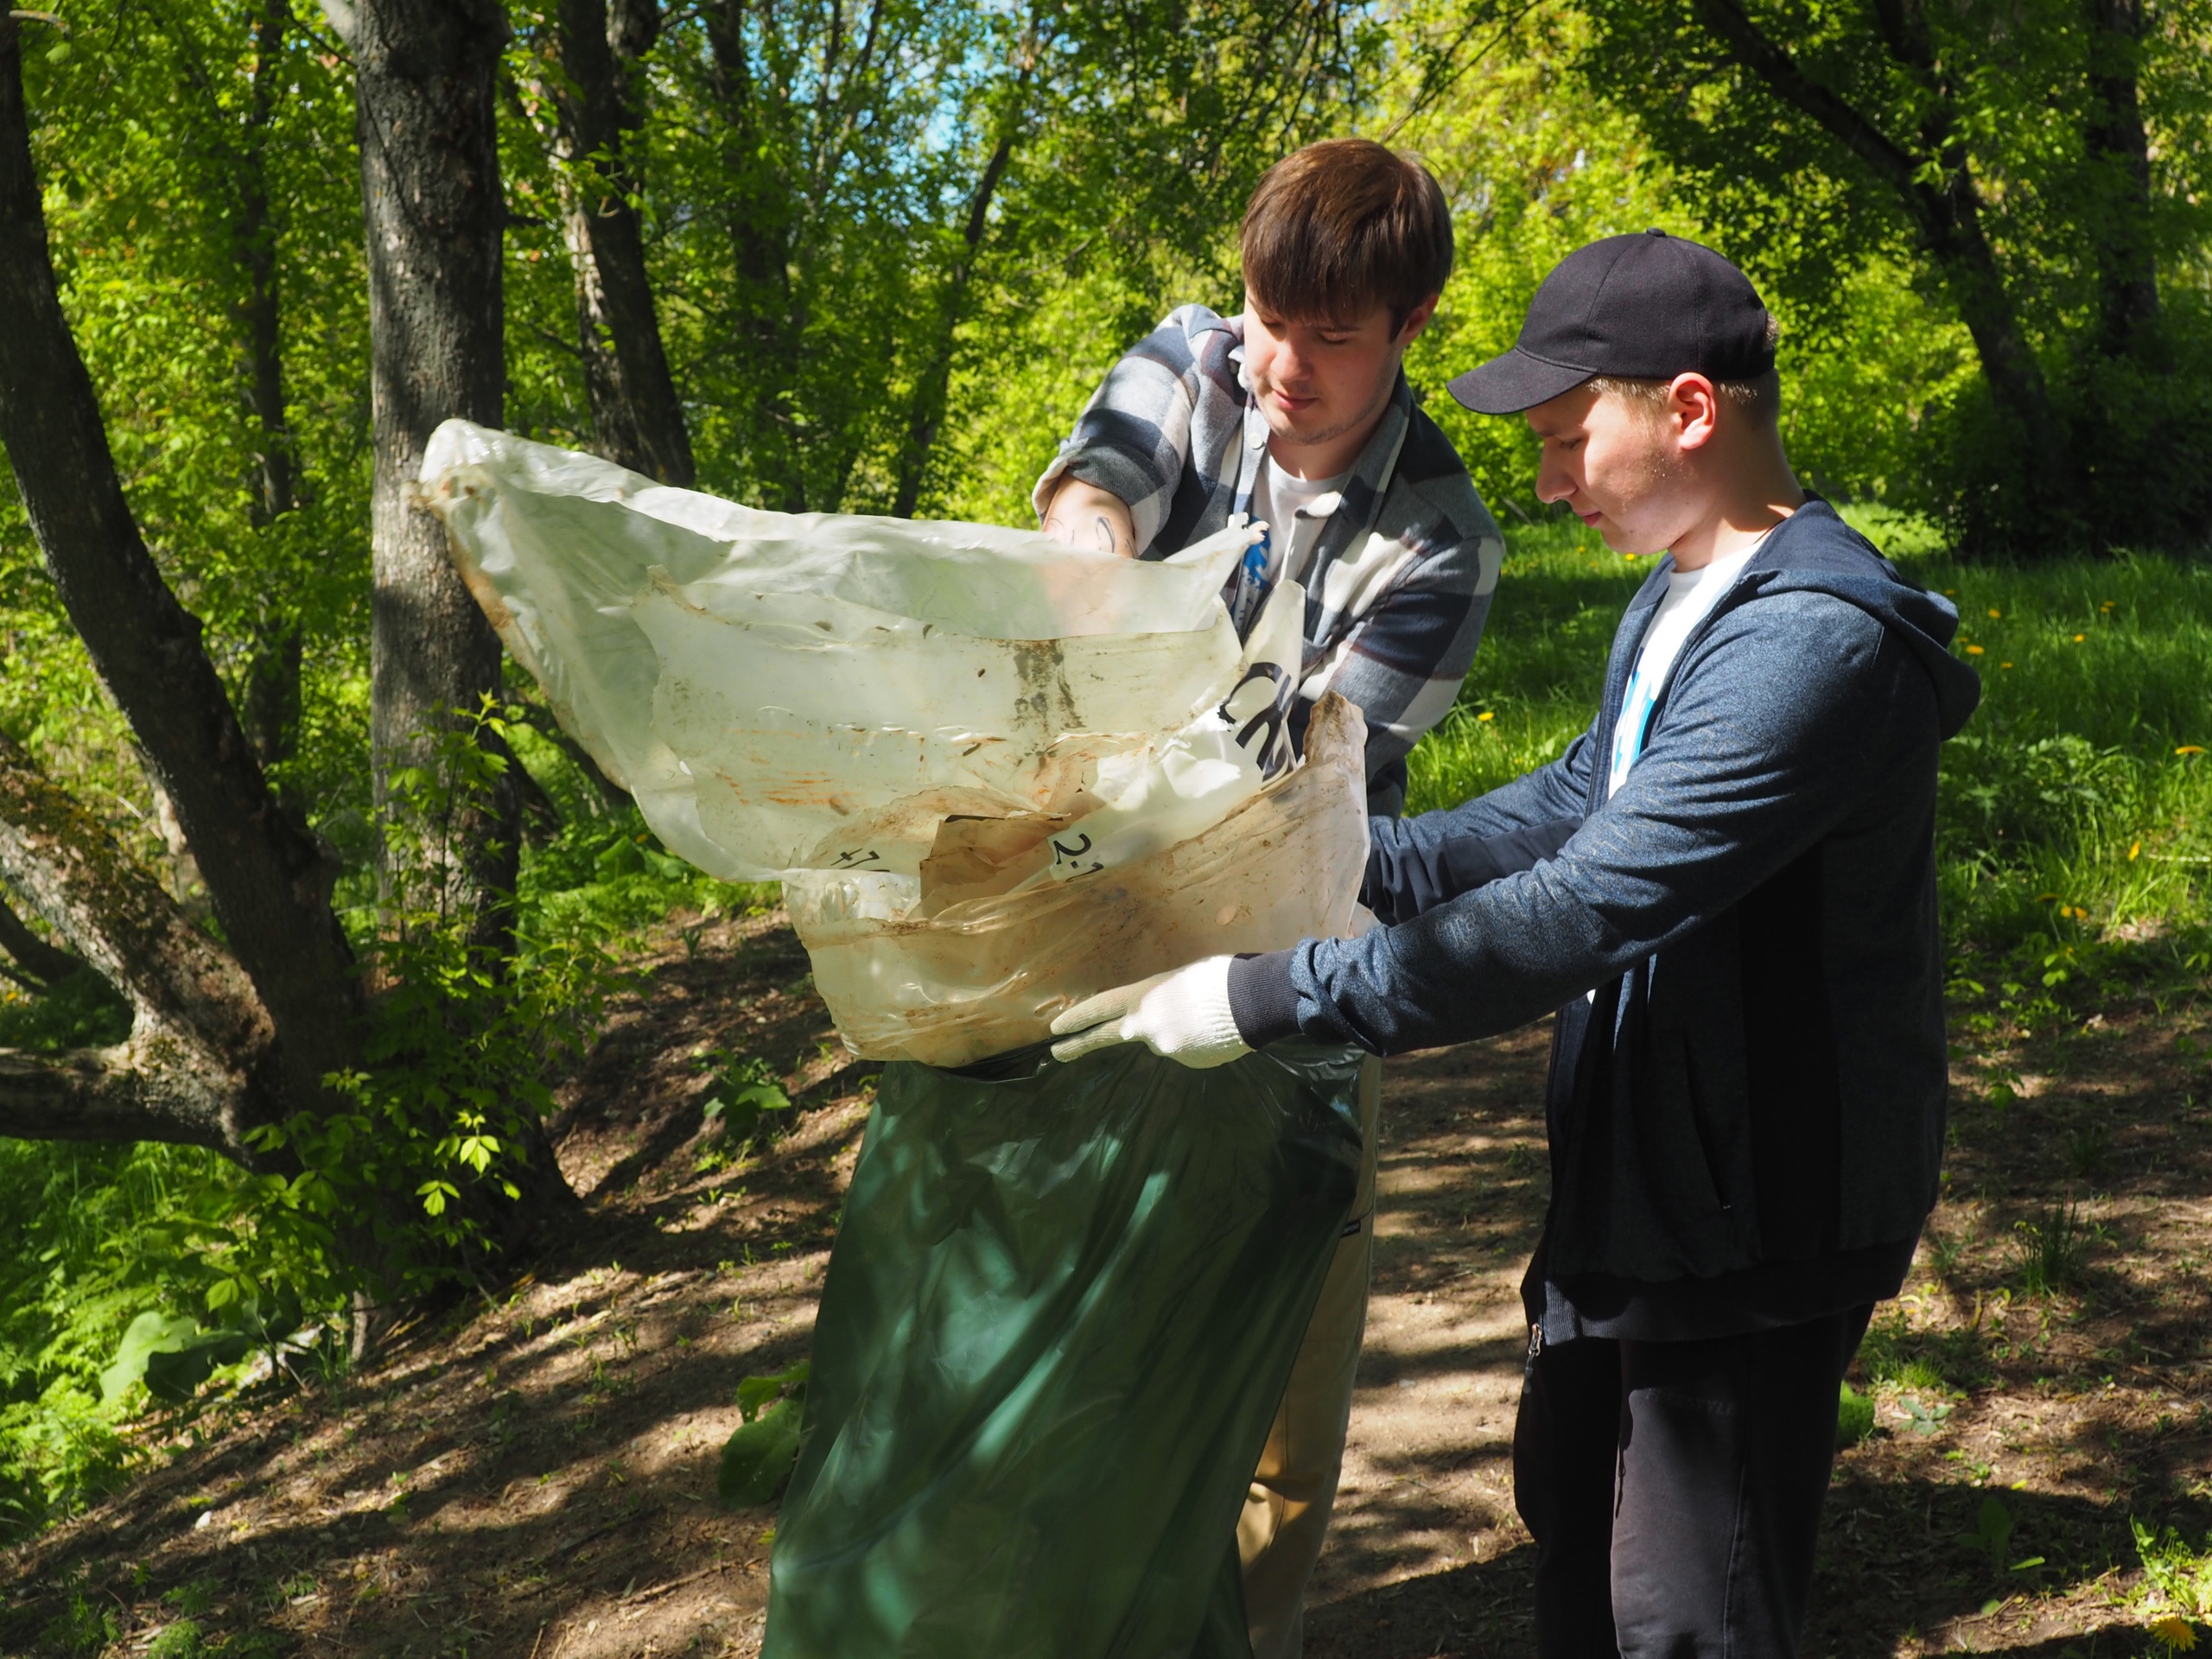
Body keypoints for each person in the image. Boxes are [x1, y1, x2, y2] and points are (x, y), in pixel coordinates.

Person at [1052, 230, 1982, 1656]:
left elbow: (1586, 904)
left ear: (1687, 408)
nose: (1544, 483)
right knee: (1571, 1518)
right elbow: (1567, 801)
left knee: (1689, 1611)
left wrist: (1265, 995)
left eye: (1566, 438)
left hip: (1754, 1210)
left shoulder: (1815, 644)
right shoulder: (1687, 589)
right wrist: (1319, 868)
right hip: (1644, 1181)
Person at [1035, 137, 1505, 1659]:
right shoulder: (1199, 357)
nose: (1286, 364)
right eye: (1269, 317)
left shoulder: (1443, 541)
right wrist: (1095, 568)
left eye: (1335, 338)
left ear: (1411, 329)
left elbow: (1299, 794)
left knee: (1282, 1375)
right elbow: (1098, 488)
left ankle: (1246, 1635)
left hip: (1292, 963)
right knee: (1080, 1332)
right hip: (1081, 935)